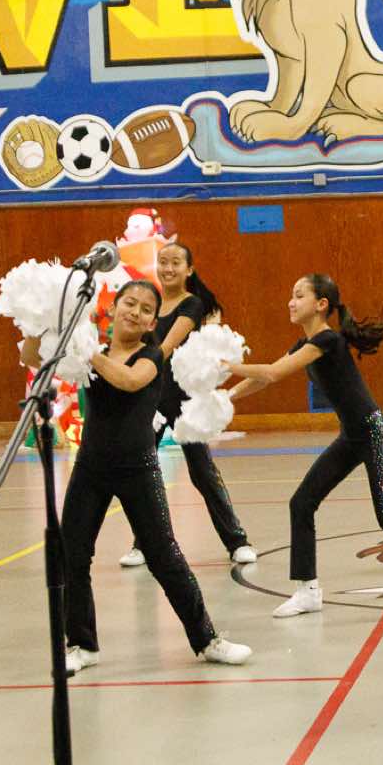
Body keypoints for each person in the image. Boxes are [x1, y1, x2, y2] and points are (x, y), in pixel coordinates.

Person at [22, 280, 251, 673]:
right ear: (113, 308)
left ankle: (207, 639)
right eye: (130, 303)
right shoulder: (91, 351)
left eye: (146, 309)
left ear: (151, 324)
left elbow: (128, 381)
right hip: (90, 469)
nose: (136, 312)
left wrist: (85, 350)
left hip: (138, 470)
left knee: (165, 558)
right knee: (72, 554)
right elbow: (31, 356)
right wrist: (38, 321)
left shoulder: (150, 356)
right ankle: (82, 644)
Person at [228, 275, 383, 617]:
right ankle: (308, 591)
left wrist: (225, 366)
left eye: (299, 295)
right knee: (302, 502)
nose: (291, 302)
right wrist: (227, 395)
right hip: (351, 436)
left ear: (321, 304)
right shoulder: (304, 344)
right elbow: (261, 379)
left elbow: (273, 373)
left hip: (373, 431)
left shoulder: (327, 340)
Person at [119, 242, 257, 570]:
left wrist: (140, 368)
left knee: (203, 473)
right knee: (142, 475)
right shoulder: (150, 303)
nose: (168, 268)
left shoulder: (192, 304)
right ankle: (143, 544)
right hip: (150, 400)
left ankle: (238, 541)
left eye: (175, 263)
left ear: (188, 270)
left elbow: (166, 346)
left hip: (185, 402)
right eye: (163, 262)